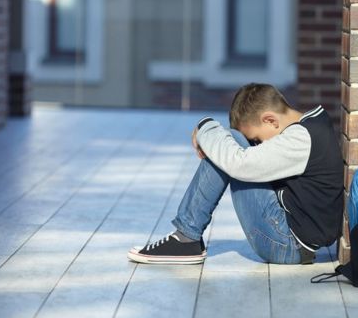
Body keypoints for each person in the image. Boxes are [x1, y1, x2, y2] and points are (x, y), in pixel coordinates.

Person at [127, 83, 344, 265]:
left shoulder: (301, 138)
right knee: (226, 147)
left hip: (287, 244)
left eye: (256, 139)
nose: (256, 145)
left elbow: (238, 163)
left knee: (230, 147)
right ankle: (186, 237)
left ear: (270, 121)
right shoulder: (311, 125)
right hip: (291, 239)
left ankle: (186, 238)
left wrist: (205, 127)